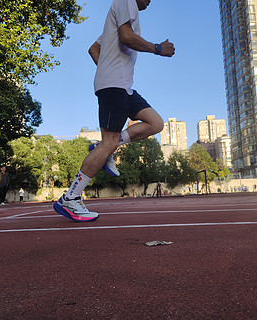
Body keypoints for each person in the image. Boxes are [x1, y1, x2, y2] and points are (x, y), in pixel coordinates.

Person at [53, 0, 175, 222]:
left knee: (155, 123)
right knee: (108, 143)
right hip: (113, 86)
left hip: (123, 86)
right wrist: (158, 48)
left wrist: (107, 68)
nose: (150, 1)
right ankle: (70, 198)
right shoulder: (126, 1)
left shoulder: (121, 14)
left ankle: (108, 145)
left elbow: (94, 48)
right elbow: (127, 37)